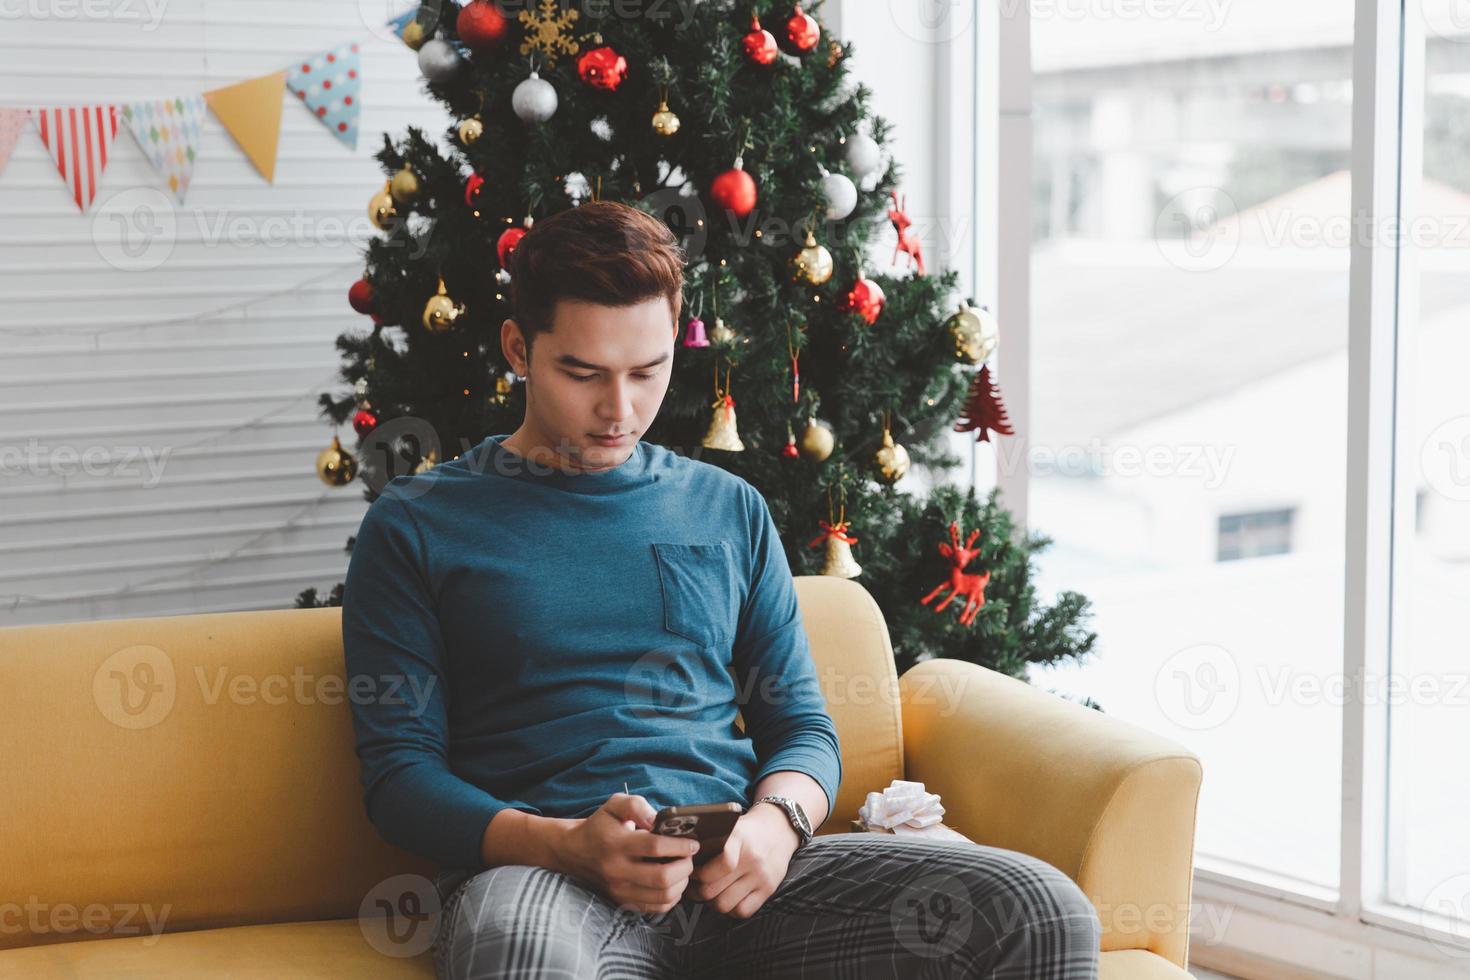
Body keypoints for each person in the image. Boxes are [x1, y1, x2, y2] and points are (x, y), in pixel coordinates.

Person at [341, 201, 1101, 979]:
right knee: (522, 957)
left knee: (1038, 910)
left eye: (648, 372)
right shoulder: (418, 524)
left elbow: (802, 726)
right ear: (518, 348)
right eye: (583, 373)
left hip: (742, 878)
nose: (621, 410)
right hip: (544, 882)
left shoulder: (727, 507)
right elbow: (402, 780)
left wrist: (777, 825)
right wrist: (566, 843)